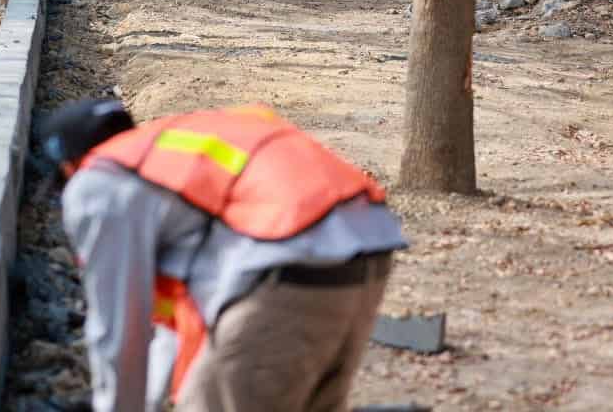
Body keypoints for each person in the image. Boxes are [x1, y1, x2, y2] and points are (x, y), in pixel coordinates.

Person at [40, 99, 406, 412]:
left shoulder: (98, 182)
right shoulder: (166, 160)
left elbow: (118, 323)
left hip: (290, 254)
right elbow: (169, 331)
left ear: (70, 165)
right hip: (367, 248)